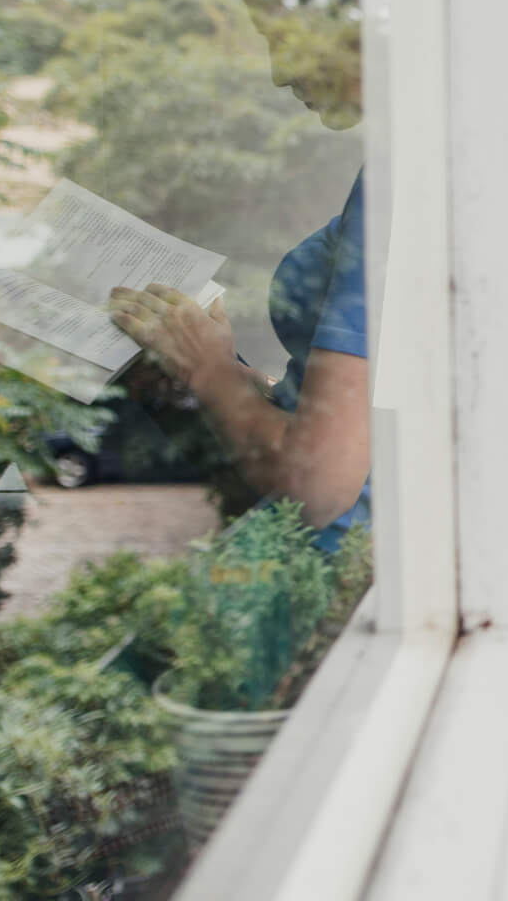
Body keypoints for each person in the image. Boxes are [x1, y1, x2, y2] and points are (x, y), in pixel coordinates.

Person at [104, 43, 370, 552]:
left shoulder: (407, 183)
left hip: (344, 560)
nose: (279, 73)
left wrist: (213, 374)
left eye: (282, 37)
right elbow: (373, 400)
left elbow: (320, 485)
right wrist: (236, 375)